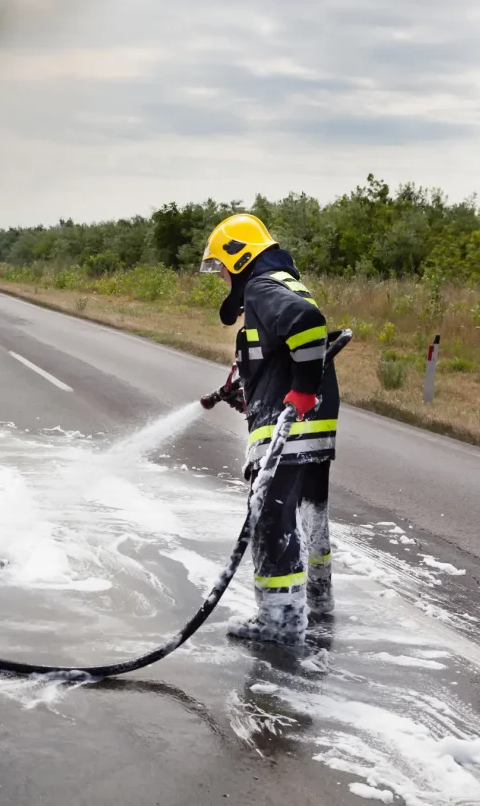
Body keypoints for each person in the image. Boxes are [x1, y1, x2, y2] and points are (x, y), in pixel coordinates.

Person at [200, 214, 338, 645]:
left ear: (240, 257)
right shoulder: (280, 280)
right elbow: (286, 349)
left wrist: (299, 392)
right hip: (316, 423)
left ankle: (279, 622)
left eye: (222, 266)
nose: (222, 276)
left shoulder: (260, 287)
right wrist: (250, 385)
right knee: (310, 511)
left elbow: (307, 325)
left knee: (270, 517)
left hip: (291, 424)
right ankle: (317, 598)